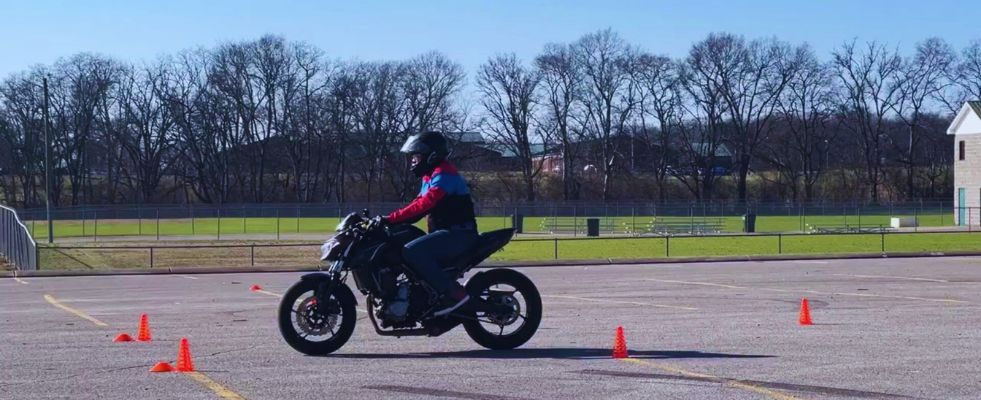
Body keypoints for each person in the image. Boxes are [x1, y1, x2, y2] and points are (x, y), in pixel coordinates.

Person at [381, 131, 478, 317]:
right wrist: (388, 220)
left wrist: (390, 218)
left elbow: (426, 204)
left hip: (458, 234)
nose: (413, 161)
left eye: (417, 156)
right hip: (445, 234)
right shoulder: (429, 176)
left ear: (432, 155)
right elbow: (417, 205)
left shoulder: (444, 173)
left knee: (412, 251)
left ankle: (453, 295)